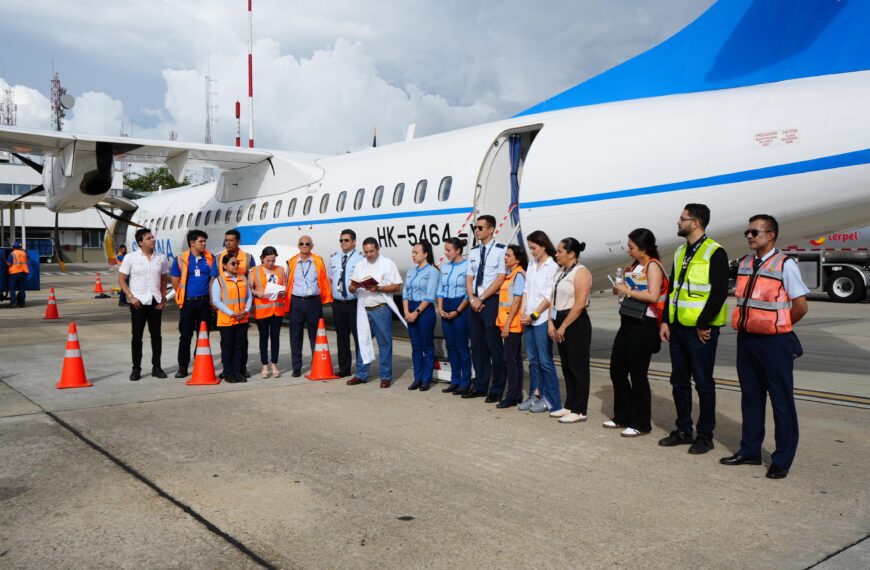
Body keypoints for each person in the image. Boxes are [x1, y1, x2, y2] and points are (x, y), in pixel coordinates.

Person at [720, 215, 809, 479]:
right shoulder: (746, 263)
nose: (749, 236)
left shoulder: (785, 265)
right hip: (747, 340)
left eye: (755, 232)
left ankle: (782, 459)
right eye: (747, 232)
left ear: (771, 235)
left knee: (781, 401)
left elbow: (800, 305)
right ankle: (749, 451)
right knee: (751, 397)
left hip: (774, 342)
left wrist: (778, 326)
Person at [659, 203, 730, 454]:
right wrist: (666, 320)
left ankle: (705, 435)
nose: (678, 222)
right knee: (678, 381)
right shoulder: (680, 252)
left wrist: (703, 324)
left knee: (703, 383)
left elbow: (719, 292)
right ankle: (683, 429)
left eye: (682, 218)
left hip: (701, 331)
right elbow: (673, 289)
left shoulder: (715, 252)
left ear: (696, 223)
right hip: (678, 327)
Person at [608, 229, 668, 436]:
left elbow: (652, 296)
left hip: (644, 324)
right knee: (617, 370)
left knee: (638, 374)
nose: (628, 249)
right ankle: (622, 416)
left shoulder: (653, 266)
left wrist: (628, 291)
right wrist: (620, 287)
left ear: (643, 248)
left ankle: (641, 423)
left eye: (631, 246)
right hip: (628, 320)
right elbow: (625, 291)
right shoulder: (635, 266)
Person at [347, 238, 403, 388]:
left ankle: (385, 376)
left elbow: (397, 286)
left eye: (372, 251)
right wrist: (353, 286)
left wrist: (378, 288)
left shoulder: (387, 263)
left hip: (380, 308)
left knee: (384, 343)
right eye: (366, 252)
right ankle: (361, 374)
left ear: (378, 249)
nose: (369, 255)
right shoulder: (360, 264)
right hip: (363, 309)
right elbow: (351, 288)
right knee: (363, 342)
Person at [549, 238, 593, 423]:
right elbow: (553, 297)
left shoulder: (581, 272)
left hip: (575, 322)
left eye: (560, 251)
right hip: (559, 319)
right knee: (566, 366)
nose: (556, 254)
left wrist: (564, 326)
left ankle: (580, 409)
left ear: (571, 254)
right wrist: (551, 323)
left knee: (578, 367)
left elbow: (580, 304)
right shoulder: (561, 272)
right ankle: (569, 405)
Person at [464, 215, 507, 401]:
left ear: (491, 229)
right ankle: (481, 385)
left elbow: (500, 278)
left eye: (481, 228)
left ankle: (497, 389)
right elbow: (469, 277)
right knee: (477, 346)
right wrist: (472, 298)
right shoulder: (473, 251)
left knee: (493, 346)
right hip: (474, 301)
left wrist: (481, 298)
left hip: (490, 301)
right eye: (476, 228)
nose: (477, 231)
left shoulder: (500, 250)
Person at [519, 231, 561, 414]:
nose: (532, 251)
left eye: (534, 248)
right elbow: (526, 290)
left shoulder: (553, 266)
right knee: (533, 360)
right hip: (528, 318)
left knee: (545, 361)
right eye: (530, 248)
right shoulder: (532, 264)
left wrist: (534, 314)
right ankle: (535, 394)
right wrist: (522, 311)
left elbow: (548, 295)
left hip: (541, 319)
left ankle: (552, 400)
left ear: (543, 246)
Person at [118, 229, 168, 381]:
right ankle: (136, 369)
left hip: (155, 301)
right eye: (149, 238)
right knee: (137, 337)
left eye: (153, 237)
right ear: (141, 242)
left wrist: (163, 298)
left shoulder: (161, 258)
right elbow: (121, 279)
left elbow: (164, 279)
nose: (153, 240)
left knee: (156, 336)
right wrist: (131, 297)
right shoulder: (130, 258)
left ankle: (157, 367)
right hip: (138, 302)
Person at [283, 235, 333, 377]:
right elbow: (288, 282)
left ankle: (316, 363)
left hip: (313, 301)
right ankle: (296, 367)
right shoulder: (292, 262)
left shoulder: (318, 261)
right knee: (295, 336)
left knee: (315, 335)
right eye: (302, 244)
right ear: (298, 246)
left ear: (312, 246)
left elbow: (323, 280)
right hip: (296, 302)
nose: (304, 246)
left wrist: (326, 298)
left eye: (307, 244)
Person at [171, 229, 214, 378]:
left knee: (203, 335)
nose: (204, 244)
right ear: (192, 243)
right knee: (185, 336)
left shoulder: (210, 258)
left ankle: (200, 361)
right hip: (188, 304)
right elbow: (175, 282)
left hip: (204, 303)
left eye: (204, 241)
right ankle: (183, 367)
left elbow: (213, 280)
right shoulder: (180, 260)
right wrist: (185, 296)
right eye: (201, 241)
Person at [212, 229, 255, 378]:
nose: (228, 243)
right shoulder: (219, 266)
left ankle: (239, 371)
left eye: (231, 240)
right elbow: (216, 296)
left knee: (240, 346)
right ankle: (228, 372)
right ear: (225, 265)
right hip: (227, 317)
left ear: (238, 241)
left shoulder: (246, 264)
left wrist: (246, 310)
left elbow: (249, 293)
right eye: (226, 240)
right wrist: (230, 312)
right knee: (227, 346)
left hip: (241, 316)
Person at [402, 241, 441, 391]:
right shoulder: (411, 271)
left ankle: (426, 379)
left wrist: (416, 313)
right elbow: (405, 293)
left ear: (425, 254)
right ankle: (417, 378)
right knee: (415, 347)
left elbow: (430, 296)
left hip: (424, 311)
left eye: (416, 252)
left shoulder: (432, 272)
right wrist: (406, 312)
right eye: (412, 252)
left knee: (427, 346)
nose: (413, 255)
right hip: (410, 308)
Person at [328, 229, 365, 377]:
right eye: (341, 240)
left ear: (354, 242)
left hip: (354, 303)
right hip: (338, 303)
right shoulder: (334, 258)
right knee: (341, 338)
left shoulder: (360, 259)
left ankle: (361, 370)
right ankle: (344, 369)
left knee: (358, 338)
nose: (343, 243)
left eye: (346, 240)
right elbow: (332, 277)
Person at [437, 237, 471, 394]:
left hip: (460, 307)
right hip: (446, 305)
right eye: (445, 249)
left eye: (449, 250)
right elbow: (440, 289)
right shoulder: (445, 267)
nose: (446, 253)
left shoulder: (467, 266)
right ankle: (455, 380)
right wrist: (440, 307)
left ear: (458, 250)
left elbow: (468, 293)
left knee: (462, 347)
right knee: (450, 346)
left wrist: (458, 310)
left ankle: (466, 381)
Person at [495, 244, 527, 408]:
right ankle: (517, 394)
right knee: (515, 359)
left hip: (512, 324)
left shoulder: (518, 275)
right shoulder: (511, 274)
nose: (505, 258)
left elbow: (516, 301)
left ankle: (511, 395)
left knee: (509, 359)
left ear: (517, 259)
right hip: (508, 322)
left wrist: (507, 325)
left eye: (508, 255)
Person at [249, 246, 286, 379]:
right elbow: (249, 289)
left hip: (277, 309)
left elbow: (285, 287)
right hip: (262, 309)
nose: (271, 263)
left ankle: (274, 363)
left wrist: (283, 290)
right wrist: (257, 293)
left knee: (275, 336)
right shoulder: (254, 271)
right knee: (263, 337)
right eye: (268, 261)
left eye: (273, 260)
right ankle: (264, 364)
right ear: (262, 258)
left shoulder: (281, 270)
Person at [5, 241, 29, 308]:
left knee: (12, 288)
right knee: (22, 289)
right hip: (23, 273)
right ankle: (22, 303)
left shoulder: (12, 254)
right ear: (19, 247)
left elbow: (9, 264)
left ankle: (13, 303)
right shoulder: (24, 253)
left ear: (13, 247)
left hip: (14, 273)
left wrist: (4, 260)